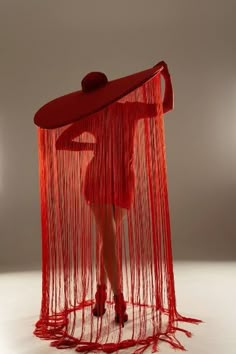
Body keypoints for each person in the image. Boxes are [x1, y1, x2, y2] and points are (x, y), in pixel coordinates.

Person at [55, 62, 173, 327]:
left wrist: (90, 146)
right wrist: (167, 78)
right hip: (106, 180)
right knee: (108, 238)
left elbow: (61, 142)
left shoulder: (95, 116)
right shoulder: (127, 111)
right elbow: (167, 106)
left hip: (119, 180)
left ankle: (100, 294)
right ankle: (119, 299)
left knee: (107, 241)